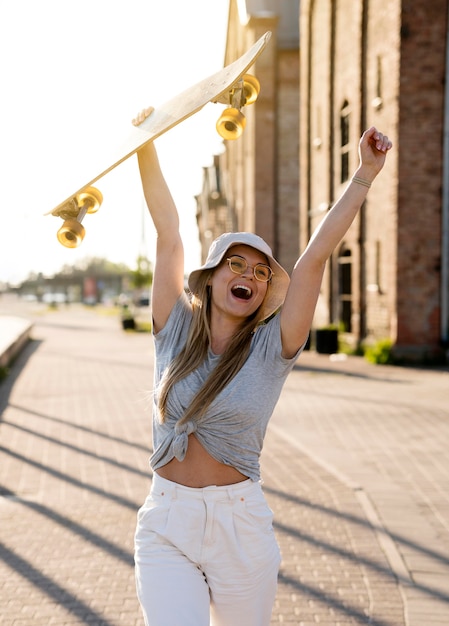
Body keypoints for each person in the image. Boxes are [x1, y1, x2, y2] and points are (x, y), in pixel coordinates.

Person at [132, 107, 392, 626]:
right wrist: (145, 146)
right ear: (210, 279)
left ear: (263, 293)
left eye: (259, 272)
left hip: (240, 529)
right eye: (236, 263)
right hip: (166, 522)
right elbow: (169, 232)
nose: (248, 274)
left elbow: (315, 257)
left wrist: (364, 173)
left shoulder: (274, 346)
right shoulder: (175, 330)